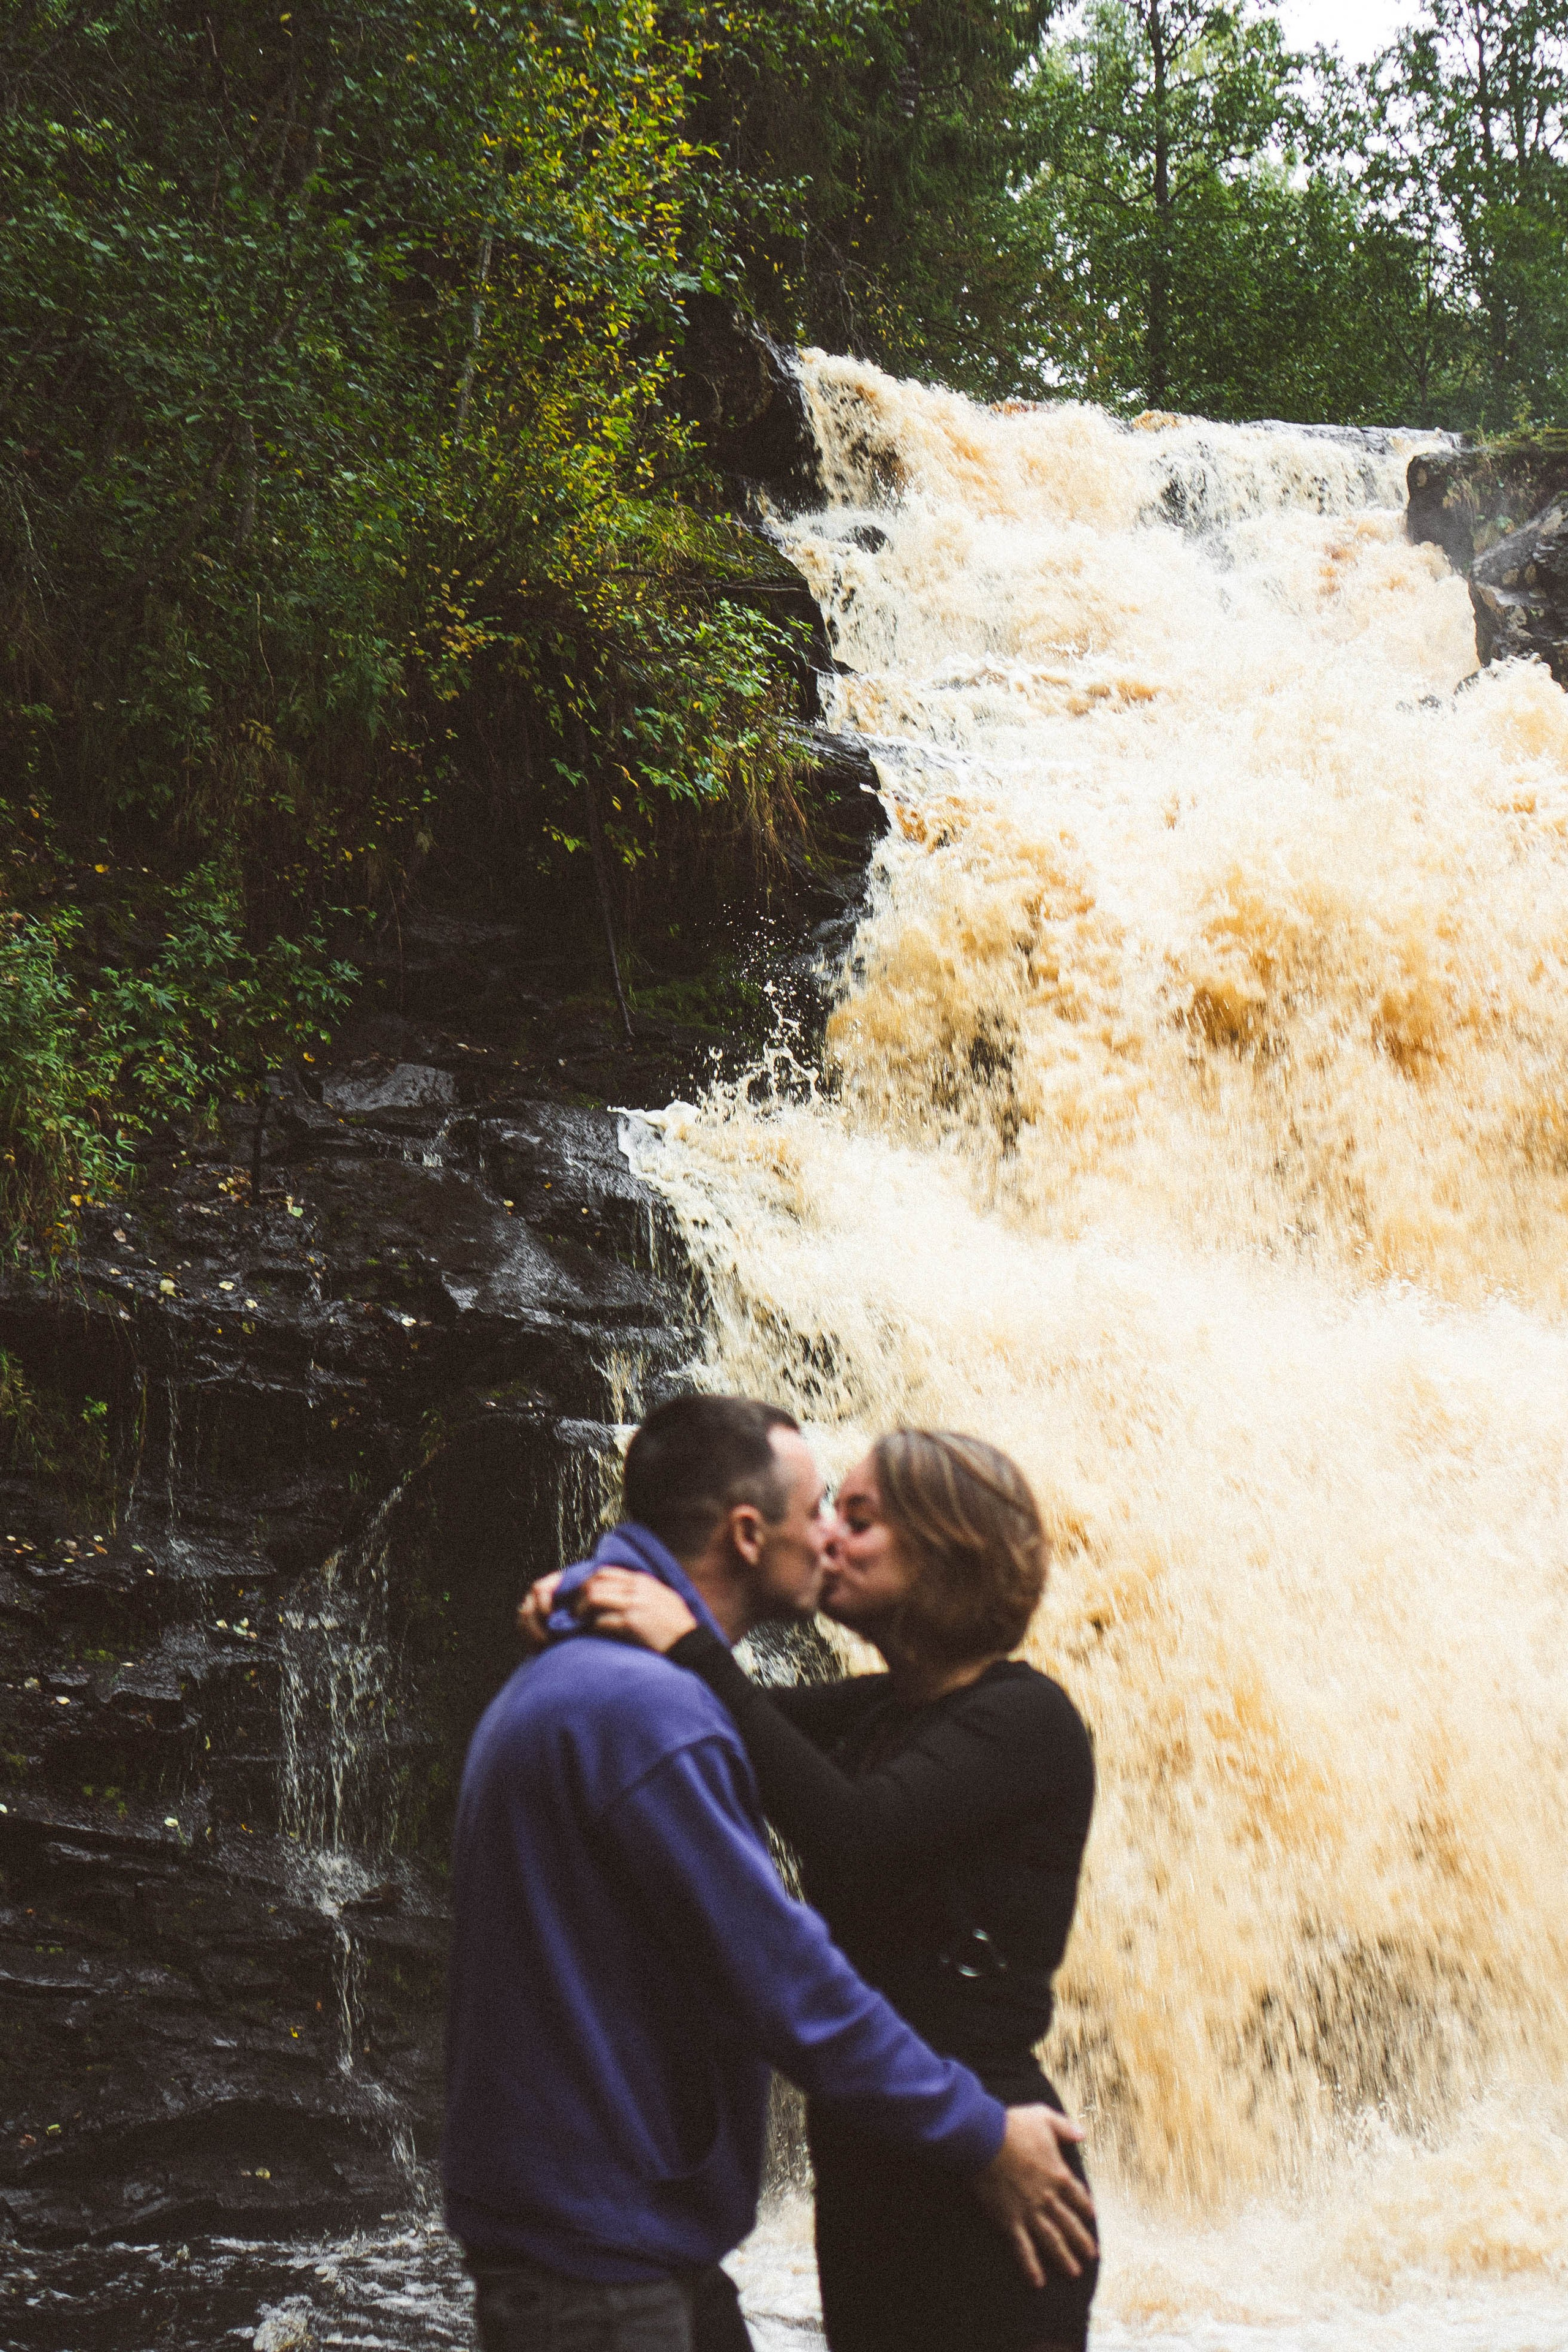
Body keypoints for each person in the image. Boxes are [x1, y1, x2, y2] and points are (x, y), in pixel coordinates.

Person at [447, 1395, 1097, 2352]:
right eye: (826, 1510)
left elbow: (847, 1833)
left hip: (987, 2157)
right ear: (749, 1534)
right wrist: (591, 1594)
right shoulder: (867, 1712)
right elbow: (731, 1720)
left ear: (947, 1552)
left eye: (858, 1519)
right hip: (880, 2155)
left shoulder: (1024, 1718)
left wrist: (681, 1637)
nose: (829, 1537)